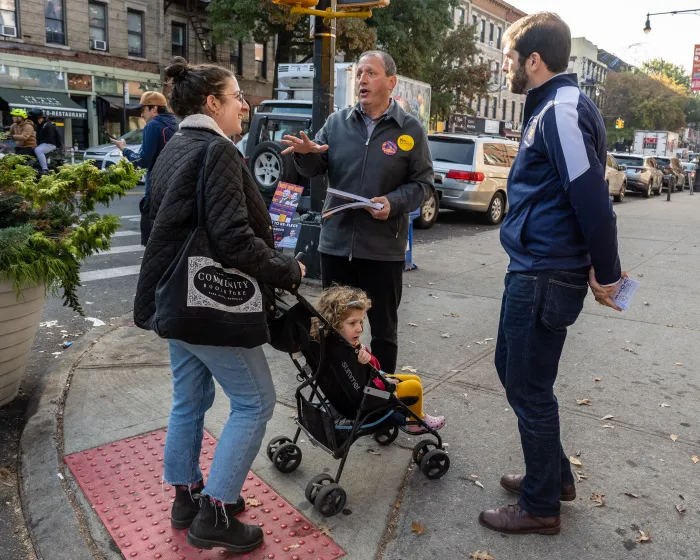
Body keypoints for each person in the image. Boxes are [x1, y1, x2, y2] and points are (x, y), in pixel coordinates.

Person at [133, 56, 305, 553]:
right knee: (255, 403)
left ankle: (186, 497)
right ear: (213, 103)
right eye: (236, 97)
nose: (244, 106)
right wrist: (286, 269)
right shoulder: (220, 151)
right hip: (209, 305)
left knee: (190, 400)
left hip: (175, 300)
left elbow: (161, 225)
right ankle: (216, 512)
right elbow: (232, 239)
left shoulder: (173, 146)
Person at [478, 12, 625, 536]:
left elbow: (591, 198)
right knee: (513, 369)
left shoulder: (560, 111)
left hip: (543, 274)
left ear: (534, 60)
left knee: (530, 388)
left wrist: (604, 271)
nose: (505, 64)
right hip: (538, 269)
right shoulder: (558, 107)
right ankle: (553, 476)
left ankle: (541, 507)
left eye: (510, 56)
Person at [281, 50, 434, 374]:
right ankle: (339, 400)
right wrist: (305, 155)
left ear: (390, 82)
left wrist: (394, 202)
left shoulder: (410, 129)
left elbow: (423, 185)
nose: (362, 79)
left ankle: (379, 402)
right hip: (336, 245)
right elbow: (315, 166)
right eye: (359, 73)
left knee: (383, 332)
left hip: (383, 251)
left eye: (371, 73)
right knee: (332, 327)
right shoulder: (337, 123)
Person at [310, 285, 445, 432]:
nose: (359, 329)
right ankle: (415, 421)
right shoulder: (346, 352)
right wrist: (384, 383)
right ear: (335, 323)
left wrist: (369, 361)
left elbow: (374, 369)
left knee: (414, 379)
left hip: (365, 389)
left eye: (361, 322)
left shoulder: (336, 344)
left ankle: (407, 415)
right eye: (352, 323)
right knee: (414, 387)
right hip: (370, 395)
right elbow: (367, 375)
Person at [111, 91, 179, 246]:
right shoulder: (175, 124)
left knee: (152, 241)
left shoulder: (152, 126)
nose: (141, 114)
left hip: (156, 188)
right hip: (175, 186)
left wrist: (124, 149)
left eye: (143, 109)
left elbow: (143, 160)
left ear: (154, 108)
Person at [29, 108, 62, 174]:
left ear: (37, 118)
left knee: (38, 150)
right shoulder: (40, 126)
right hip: (44, 144)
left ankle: (45, 169)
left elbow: (48, 139)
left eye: (32, 118)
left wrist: (36, 145)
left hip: (50, 144)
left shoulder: (47, 125)